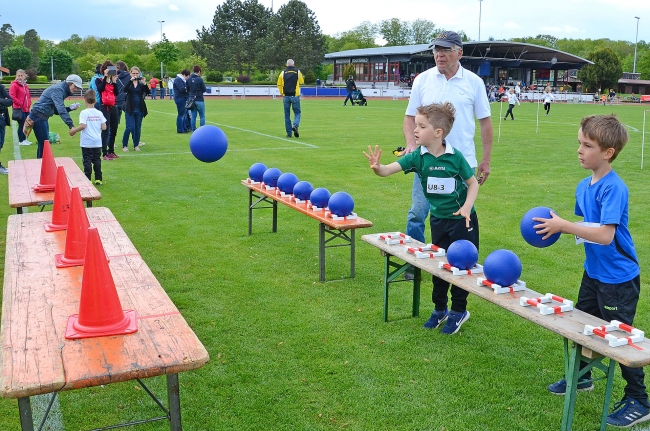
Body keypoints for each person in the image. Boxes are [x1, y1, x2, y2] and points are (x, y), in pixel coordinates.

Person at [534, 114, 650, 428]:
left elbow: (605, 235)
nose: (580, 150)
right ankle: (583, 378)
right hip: (594, 273)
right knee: (581, 328)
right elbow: (586, 226)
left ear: (608, 152)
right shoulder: (584, 186)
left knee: (618, 340)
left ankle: (640, 399)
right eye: (579, 144)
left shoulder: (614, 188)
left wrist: (564, 225)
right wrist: (560, 227)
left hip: (618, 278)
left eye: (587, 145)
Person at [364, 102, 479, 335]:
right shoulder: (417, 157)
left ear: (438, 133)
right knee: (439, 267)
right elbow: (387, 170)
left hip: (462, 221)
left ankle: (458, 311)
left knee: (460, 267)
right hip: (438, 221)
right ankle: (439, 309)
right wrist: (377, 167)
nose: (414, 130)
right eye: (415, 125)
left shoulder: (455, 158)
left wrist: (467, 207)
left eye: (421, 126)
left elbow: (472, 183)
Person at [402, 31, 492, 277]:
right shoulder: (423, 80)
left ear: (459, 53)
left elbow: (485, 122)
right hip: (427, 161)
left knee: (459, 217)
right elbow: (410, 117)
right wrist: (411, 144)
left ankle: (459, 262)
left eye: (445, 50)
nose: (439, 55)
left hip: (461, 164)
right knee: (417, 214)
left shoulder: (474, 82)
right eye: (436, 50)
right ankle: (414, 263)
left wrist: (485, 160)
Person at [24, 75, 82, 159]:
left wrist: (70, 108)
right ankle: (41, 167)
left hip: (41, 116)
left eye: (78, 88)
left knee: (43, 144)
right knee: (44, 144)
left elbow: (55, 110)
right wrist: (71, 125)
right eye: (75, 86)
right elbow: (60, 109)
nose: (76, 89)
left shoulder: (61, 89)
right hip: (39, 116)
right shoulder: (59, 90)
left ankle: (41, 166)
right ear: (69, 83)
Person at [69, 89, 106, 185]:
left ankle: (88, 178)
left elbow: (83, 125)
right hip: (97, 142)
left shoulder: (84, 113)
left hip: (87, 142)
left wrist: (73, 130)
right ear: (95, 101)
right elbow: (104, 127)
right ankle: (98, 179)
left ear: (84, 100)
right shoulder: (99, 113)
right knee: (97, 160)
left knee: (87, 161)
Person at [95, 61, 120, 160]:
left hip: (113, 106)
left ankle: (111, 150)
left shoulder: (112, 81)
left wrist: (114, 82)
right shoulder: (99, 80)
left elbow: (117, 93)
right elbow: (100, 89)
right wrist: (106, 77)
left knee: (114, 129)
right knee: (105, 130)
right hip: (104, 106)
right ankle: (104, 153)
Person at [122, 66, 149, 152]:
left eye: (137, 73)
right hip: (130, 108)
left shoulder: (141, 84)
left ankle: (136, 145)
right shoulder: (128, 83)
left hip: (139, 109)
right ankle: (124, 145)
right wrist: (130, 81)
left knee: (137, 128)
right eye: (133, 73)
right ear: (130, 74)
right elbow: (124, 89)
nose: (135, 75)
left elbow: (148, 92)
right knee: (129, 127)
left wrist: (144, 83)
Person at [277, 59, 304, 138]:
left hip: (286, 96)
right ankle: (295, 126)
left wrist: (282, 93)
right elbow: (301, 81)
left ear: (286, 64)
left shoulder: (283, 72)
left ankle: (289, 133)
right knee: (297, 113)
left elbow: (279, 84)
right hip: (295, 95)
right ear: (293, 64)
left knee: (287, 115)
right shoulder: (298, 72)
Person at [10, 69, 32, 146]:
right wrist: (19, 103)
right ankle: (21, 140)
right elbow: (12, 96)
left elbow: (28, 96)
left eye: (21, 75)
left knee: (27, 124)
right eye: (18, 75)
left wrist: (29, 102)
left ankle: (25, 139)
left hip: (26, 108)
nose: (20, 77)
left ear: (24, 76)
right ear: (16, 76)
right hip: (19, 109)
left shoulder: (25, 85)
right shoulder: (14, 85)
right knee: (22, 124)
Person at [187, 65, 207, 131]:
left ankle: (193, 129)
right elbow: (204, 89)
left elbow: (187, 89)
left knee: (193, 116)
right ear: (199, 72)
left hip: (191, 99)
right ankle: (202, 130)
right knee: (202, 115)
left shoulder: (189, 79)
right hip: (199, 99)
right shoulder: (200, 79)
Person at [0, 83, 13, 174]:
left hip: (2, 118)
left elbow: (10, 101)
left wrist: (1, 101)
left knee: (0, 143)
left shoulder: (1, 87)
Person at [173, 69, 191, 133]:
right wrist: (188, 87)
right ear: (184, 75)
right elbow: (182, 89)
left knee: (185, 114)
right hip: (180, 98)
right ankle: (180, 129)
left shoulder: (182, 80)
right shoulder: (178, 79)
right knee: (181, 114)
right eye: (187, 76)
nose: (187, 78)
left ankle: (184, 128)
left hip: (184, 98)